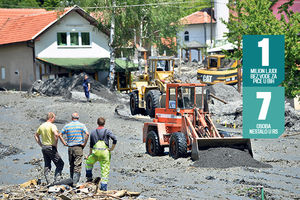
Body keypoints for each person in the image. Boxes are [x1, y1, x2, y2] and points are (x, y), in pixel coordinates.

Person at [85, 117, 117, 191]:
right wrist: (112, 148)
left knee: (88, 162)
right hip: (104, 154)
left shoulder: (93, 132)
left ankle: (89, 178)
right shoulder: (107, 131)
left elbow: (91, 145)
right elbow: (115, 139)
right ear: (104, 123)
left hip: (95, 153)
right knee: (105, 171)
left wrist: (89, 155)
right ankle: (103, 188)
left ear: (97, 123)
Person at [34, 112, 65, 184]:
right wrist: (55, 144)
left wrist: (40, 144)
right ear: (51, 118)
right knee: (60, 163)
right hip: (51, 147)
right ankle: (57, 180)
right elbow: (56, 135)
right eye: (54, 118)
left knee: (47, 164)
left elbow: (36, 135)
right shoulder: (52, 126)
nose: (54, 119)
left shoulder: (41, 126)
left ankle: (48, 181)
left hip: (44, 147)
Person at [60, 113, 89, 185]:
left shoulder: (67, 126)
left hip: (70, 147)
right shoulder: (82, 125)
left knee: (71, 164)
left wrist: (64, 142)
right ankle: (75, 183)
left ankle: (71, 181)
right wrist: (84, 143)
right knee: (77, 165)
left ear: (72, 118)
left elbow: (60, 134)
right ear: (78, 118)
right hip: (78, 147)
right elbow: (87, 134)